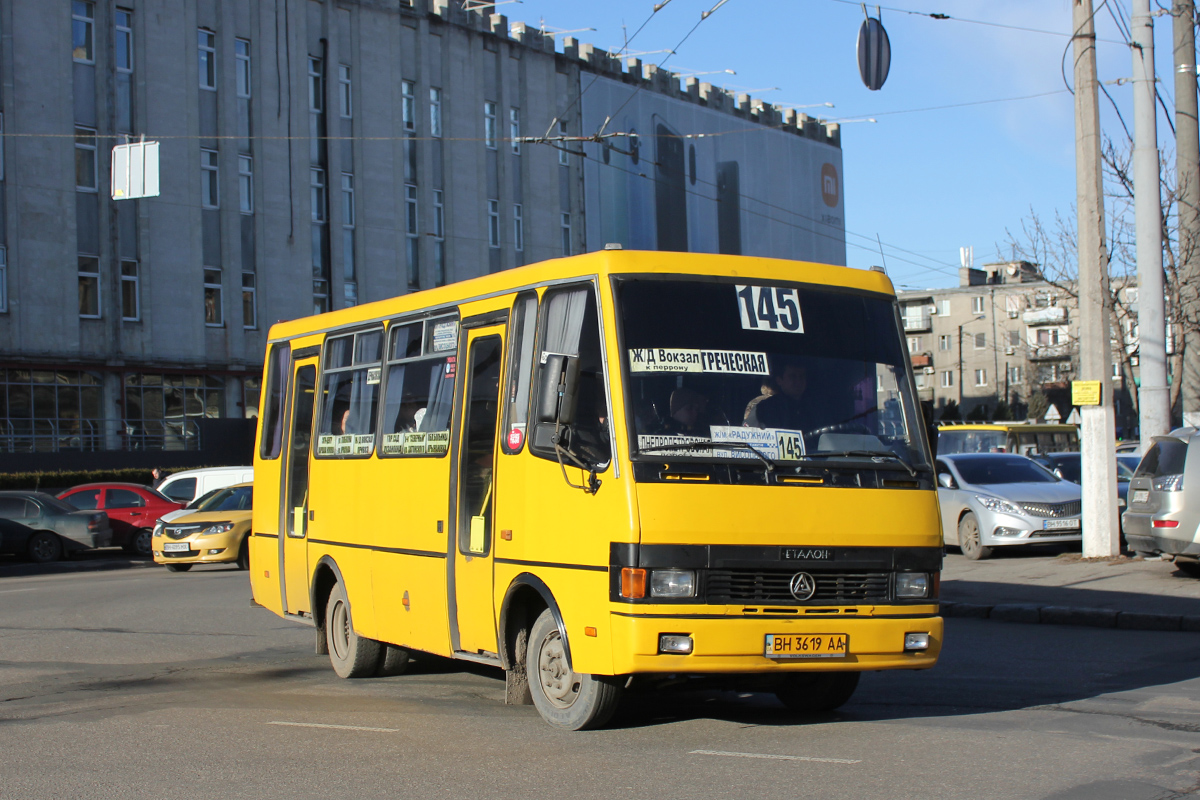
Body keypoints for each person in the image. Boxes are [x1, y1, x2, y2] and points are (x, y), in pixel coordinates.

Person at [747, 358, 813, 431]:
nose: (798, 381)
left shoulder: (813, 407)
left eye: (802, 376)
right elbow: (750, 434)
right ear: (779, 380)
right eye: (792, 376)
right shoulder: (765, 408)